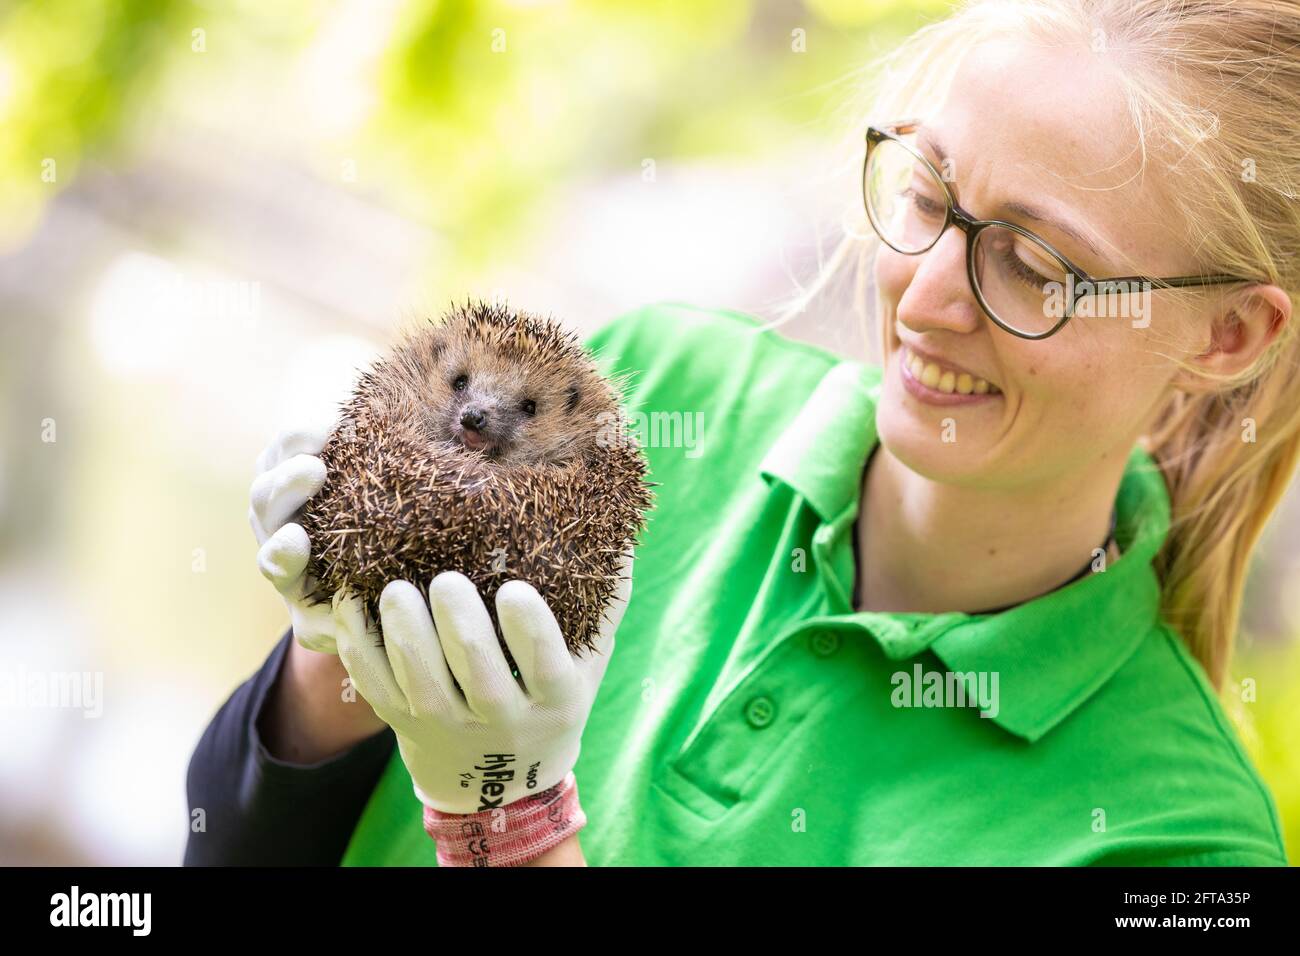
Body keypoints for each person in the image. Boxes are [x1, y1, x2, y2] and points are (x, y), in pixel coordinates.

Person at [186, 0, 1298, 866]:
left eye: (1034, 264)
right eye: (927, 191)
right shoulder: (654, 387)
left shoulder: (1171, 844)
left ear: (1230, 333)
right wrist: (335, 663)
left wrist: (513, 823)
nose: (921, 301)